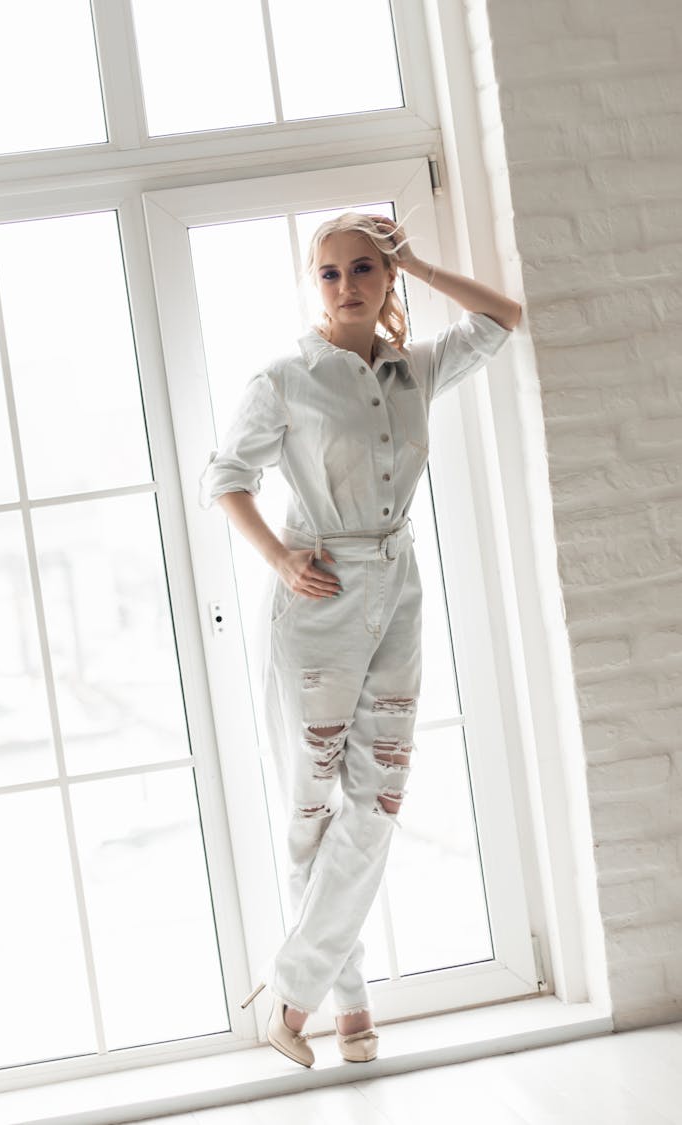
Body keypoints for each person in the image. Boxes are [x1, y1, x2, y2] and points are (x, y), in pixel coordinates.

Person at [199, 211, 522, 1066]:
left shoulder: (415, 369)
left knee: (376, 805)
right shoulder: (285, 377)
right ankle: (344, 1002)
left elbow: (501, 319)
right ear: (317, 284)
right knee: (312, 813)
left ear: (387, 278)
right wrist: (278, 558)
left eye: (366, 269)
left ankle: (291, 995)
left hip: (399, 591)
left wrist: (417, 257)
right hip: (321, 597)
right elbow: (226, 477)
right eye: (332, 273)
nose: (348, 287)